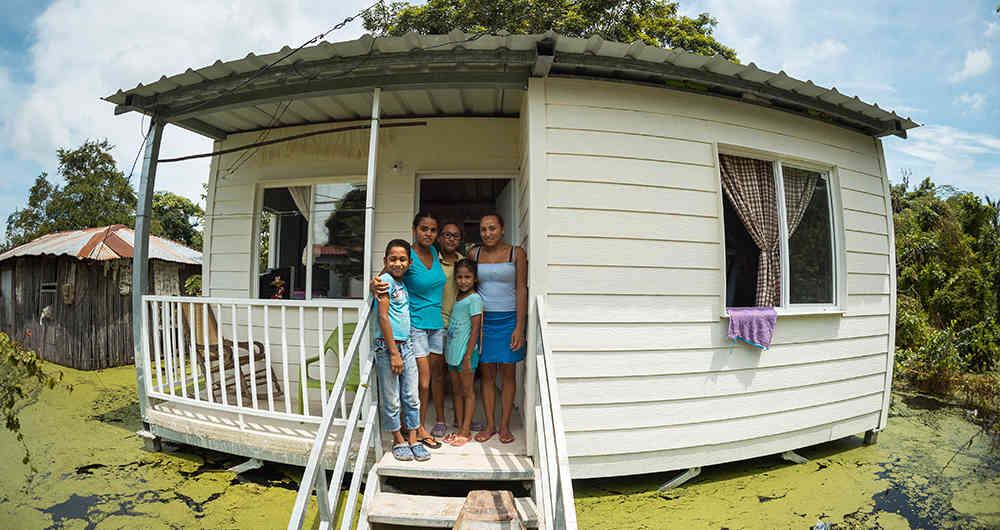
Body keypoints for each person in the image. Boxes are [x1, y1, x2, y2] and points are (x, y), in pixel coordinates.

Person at [374, 212, 447, 448]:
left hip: (436, 323)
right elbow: (384, 277)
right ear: (414, 229)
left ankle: (415, 429)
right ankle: (417, 429)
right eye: (424, 228)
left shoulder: (435, 252)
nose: (428, 233)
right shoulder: (405, 254)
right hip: (414, 326)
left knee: (432, 379)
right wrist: (372, 283)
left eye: (433, 230)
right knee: (422, 383)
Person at [472, 213, 527, 445]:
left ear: (502, 229)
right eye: (484, 229)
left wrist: (519, 326)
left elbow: (522, 289)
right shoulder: (474, 253)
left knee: (507, 374)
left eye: (492, 228)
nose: (488, 233)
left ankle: (504, 425)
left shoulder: (516, 253)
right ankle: (489, 425)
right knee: (486, 375)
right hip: (483, 321)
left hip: (509, 321)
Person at [372, 239, 428, 462]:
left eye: (402, 259)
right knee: (392, 397)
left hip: (406, 345)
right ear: (385, 261)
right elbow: (383, 317)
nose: (398, 263)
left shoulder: (400, 283)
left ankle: (413, 438)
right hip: (389, 348)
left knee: (411, 395)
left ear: (409, 262)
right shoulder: (384, 281)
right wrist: (394, 353)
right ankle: (398, 439)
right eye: (393, 259)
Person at [443, 259, 483, 447]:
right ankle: (459, 424)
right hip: (452, 352)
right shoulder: (458, 297)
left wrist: (468, 356)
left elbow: (475, 329)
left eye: (467, 277)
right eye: (459, 277)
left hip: (466, 354)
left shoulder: (474, 299)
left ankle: (465, 431)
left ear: (475, 279)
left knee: (468, 392)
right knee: (456, 392)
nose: (463, 281)